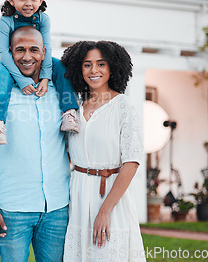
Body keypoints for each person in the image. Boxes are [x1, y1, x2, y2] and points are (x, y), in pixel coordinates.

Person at [0, 26, 71, 262]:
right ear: (8, 52)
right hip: (12, 207)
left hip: (57, 207)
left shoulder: (59, 89)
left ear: (44, 52)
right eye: (19, 50)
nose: (27, 57)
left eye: (33, 50)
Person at [60, 41, 145, 261]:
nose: (93, 70)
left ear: (112, 68)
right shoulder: (74, 107)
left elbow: (131, 162)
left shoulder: (123, 106)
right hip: (78, 195)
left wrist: (105, 210)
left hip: (110, 198)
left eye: (101, 64)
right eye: (87, 64)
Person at [0, 0, 79, 146]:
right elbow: (3, 53)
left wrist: (45, 77)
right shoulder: (5, 21)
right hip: (7, 58)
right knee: (0, 74)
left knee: (60, 66)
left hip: (36, 58)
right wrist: (21, 80)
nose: (28, 3)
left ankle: (69, 111)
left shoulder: (43, 19)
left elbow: (47, 48)